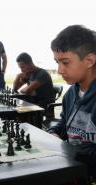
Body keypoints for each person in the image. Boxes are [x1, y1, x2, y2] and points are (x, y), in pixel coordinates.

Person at [47, 25, 96, 180]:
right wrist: (53, 133)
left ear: (89, 61)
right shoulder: (71, 94)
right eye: (57, 62)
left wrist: (67, 150)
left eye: (65, 62)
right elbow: (65, 123)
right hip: (74, 167)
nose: (59, 70)